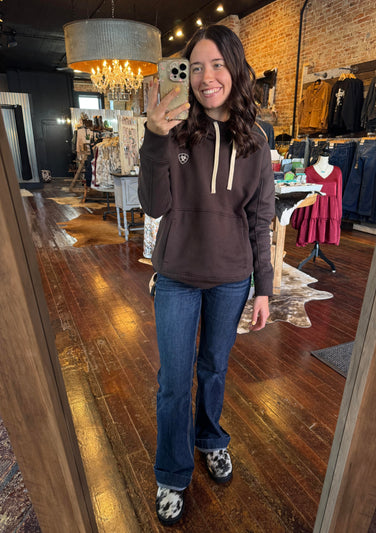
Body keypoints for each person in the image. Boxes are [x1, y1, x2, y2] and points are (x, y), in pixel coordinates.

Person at [138, 24, 275, 526]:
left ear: (235, 69)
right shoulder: (174, 129)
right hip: (175, 275)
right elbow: (154, 204)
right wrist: (154, 139)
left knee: (213, 369)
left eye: (216, 64)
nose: (205, 76)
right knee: (173, 381)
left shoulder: (257, 140)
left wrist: (265, 287)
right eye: (195, 67)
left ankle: (210, 438)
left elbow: (261, 218)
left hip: (232, 278)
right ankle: (172, 472)